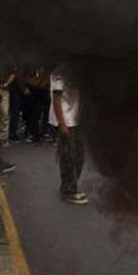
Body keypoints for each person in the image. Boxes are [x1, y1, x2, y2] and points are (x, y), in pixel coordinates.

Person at [50, 66, 86, 204]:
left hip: (77, 119)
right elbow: (56, 99)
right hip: (66, 119)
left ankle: (71, 185)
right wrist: (62, 123)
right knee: (68, 156)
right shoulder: (58, 73)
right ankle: (68, 190)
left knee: (79, 156)